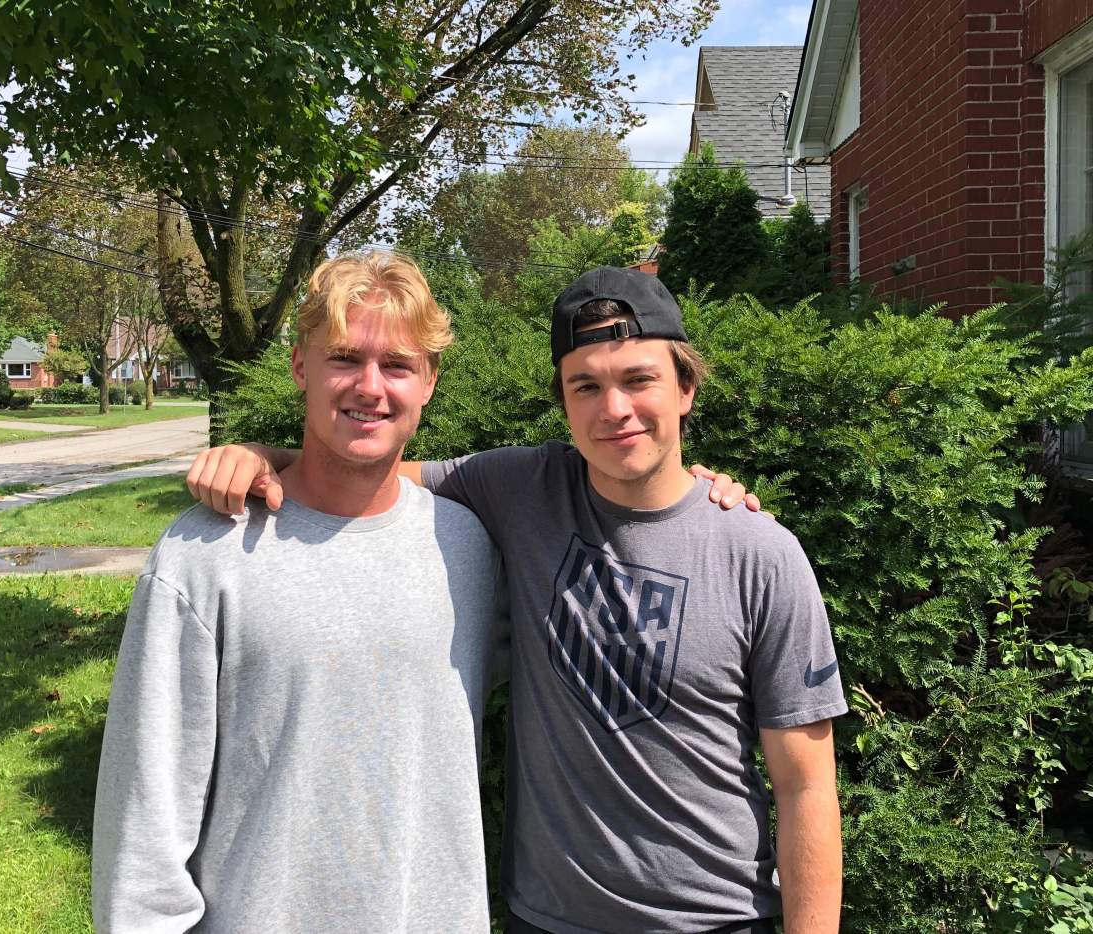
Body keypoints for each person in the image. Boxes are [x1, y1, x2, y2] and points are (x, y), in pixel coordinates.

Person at [187, 266, 846, 933]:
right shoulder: (519, 489)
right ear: (564, 404)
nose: (614, 409)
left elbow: (807, 786)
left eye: (639, 379)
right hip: (546, 919)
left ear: (686, 388)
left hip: (718, 920)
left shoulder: (760, 555)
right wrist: (257, 457)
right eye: (585, 386)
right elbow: (361, 469)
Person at [92, 253, 511, 932]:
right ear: (299, 368)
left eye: (398, 366)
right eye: (345, 359)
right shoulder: (204, 554)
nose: (371, 387)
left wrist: (702, 498)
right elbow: (146, 808)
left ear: (429, 382)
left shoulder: (469, 546)